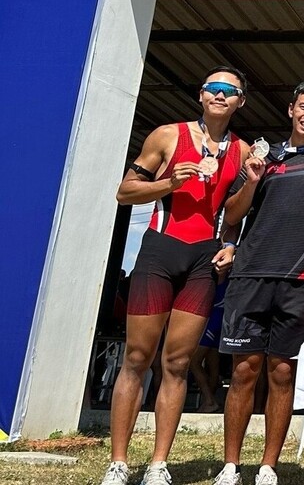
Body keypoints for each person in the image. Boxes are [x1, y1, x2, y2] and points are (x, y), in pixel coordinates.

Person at [100, 66, 250, 485]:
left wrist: (250, 189)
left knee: (179, 362)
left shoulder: (240, 151)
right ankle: (118, 462)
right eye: (214, 89)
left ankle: (158, 464)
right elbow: (124, 191)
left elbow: (231, 214)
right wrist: (169, 183)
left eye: (230, 91)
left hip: (203, 261)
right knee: (135, 358)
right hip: (160, 252)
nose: (221, 96)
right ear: (201, 95)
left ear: (241, 101)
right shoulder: (168, 135)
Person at [213, 80, 304, 485]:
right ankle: (231, 466)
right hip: (251, 275)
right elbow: (232, 216)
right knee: (244, 372)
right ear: (291, 110)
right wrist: (252, 180)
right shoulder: (260, 155)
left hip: (300, 281)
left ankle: (269, 467)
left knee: (282, 372)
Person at [189, 278, 228, 413]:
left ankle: (209, 400)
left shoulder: (217, 276)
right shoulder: (230, 275)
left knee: (194, 362)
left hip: (212, 318)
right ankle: (209, 402)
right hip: (221, 319)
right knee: (213, 364)